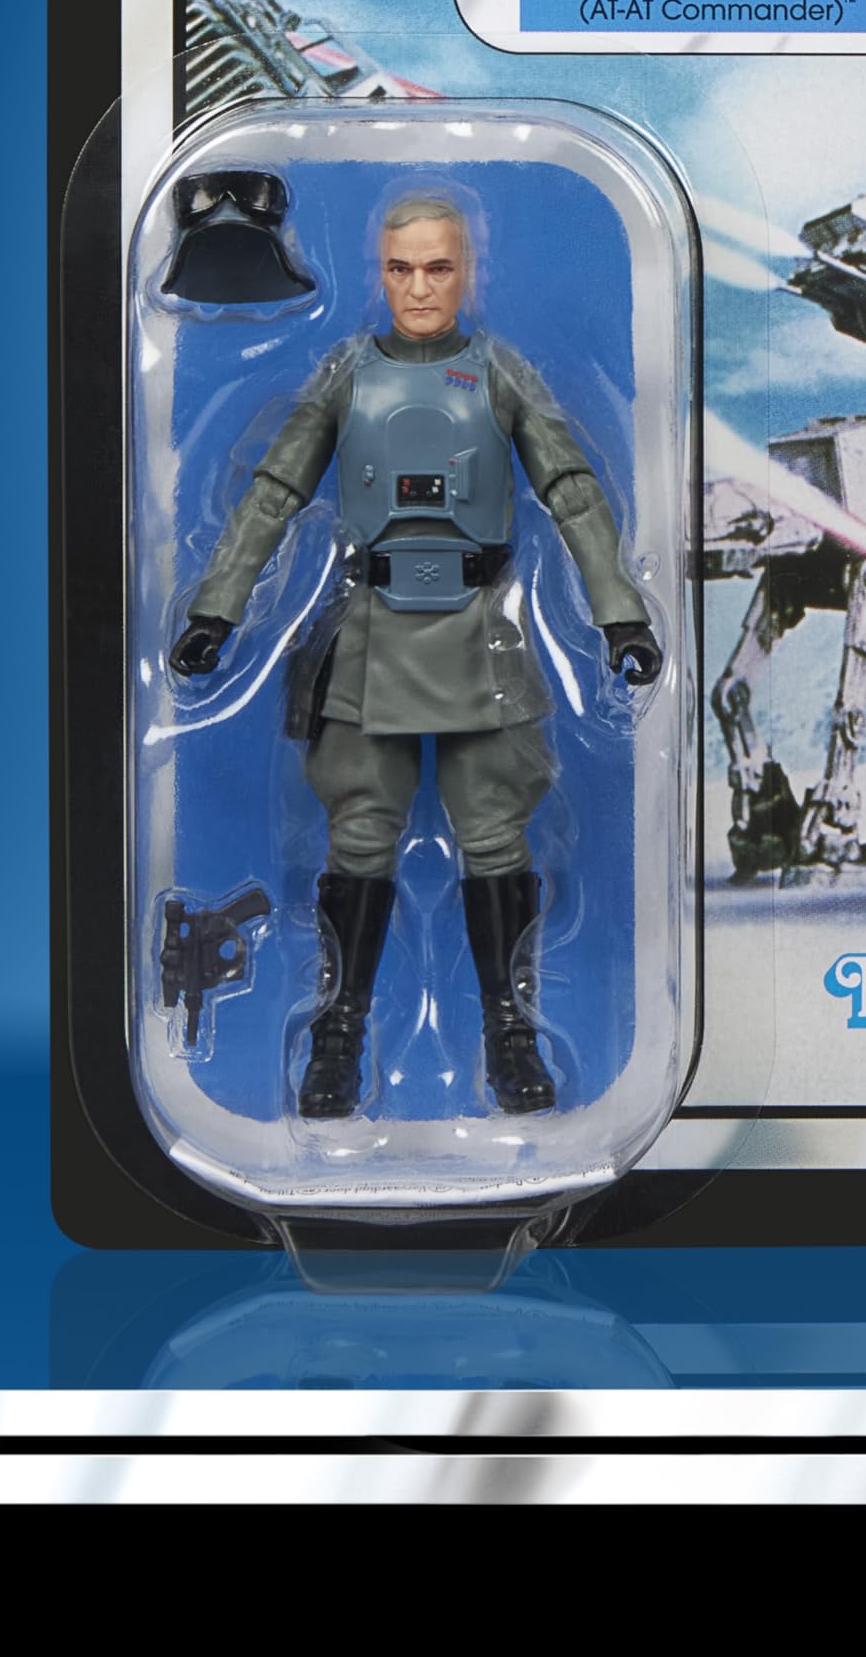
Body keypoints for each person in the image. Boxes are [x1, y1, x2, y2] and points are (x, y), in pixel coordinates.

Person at [170, 190, 662, 1118]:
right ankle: (338, 1035)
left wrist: (620, 617)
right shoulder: (346, 374)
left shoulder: (499, 372)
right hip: (373, 631)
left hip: (479, 631)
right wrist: (217, 611)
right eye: (401, 269)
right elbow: (273, 493)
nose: (421, 288)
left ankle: (511, 1031)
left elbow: (572, 490)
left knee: (496, 834)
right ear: (380, 274)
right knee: (360, 835)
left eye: (438, 268)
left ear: (467, 270)